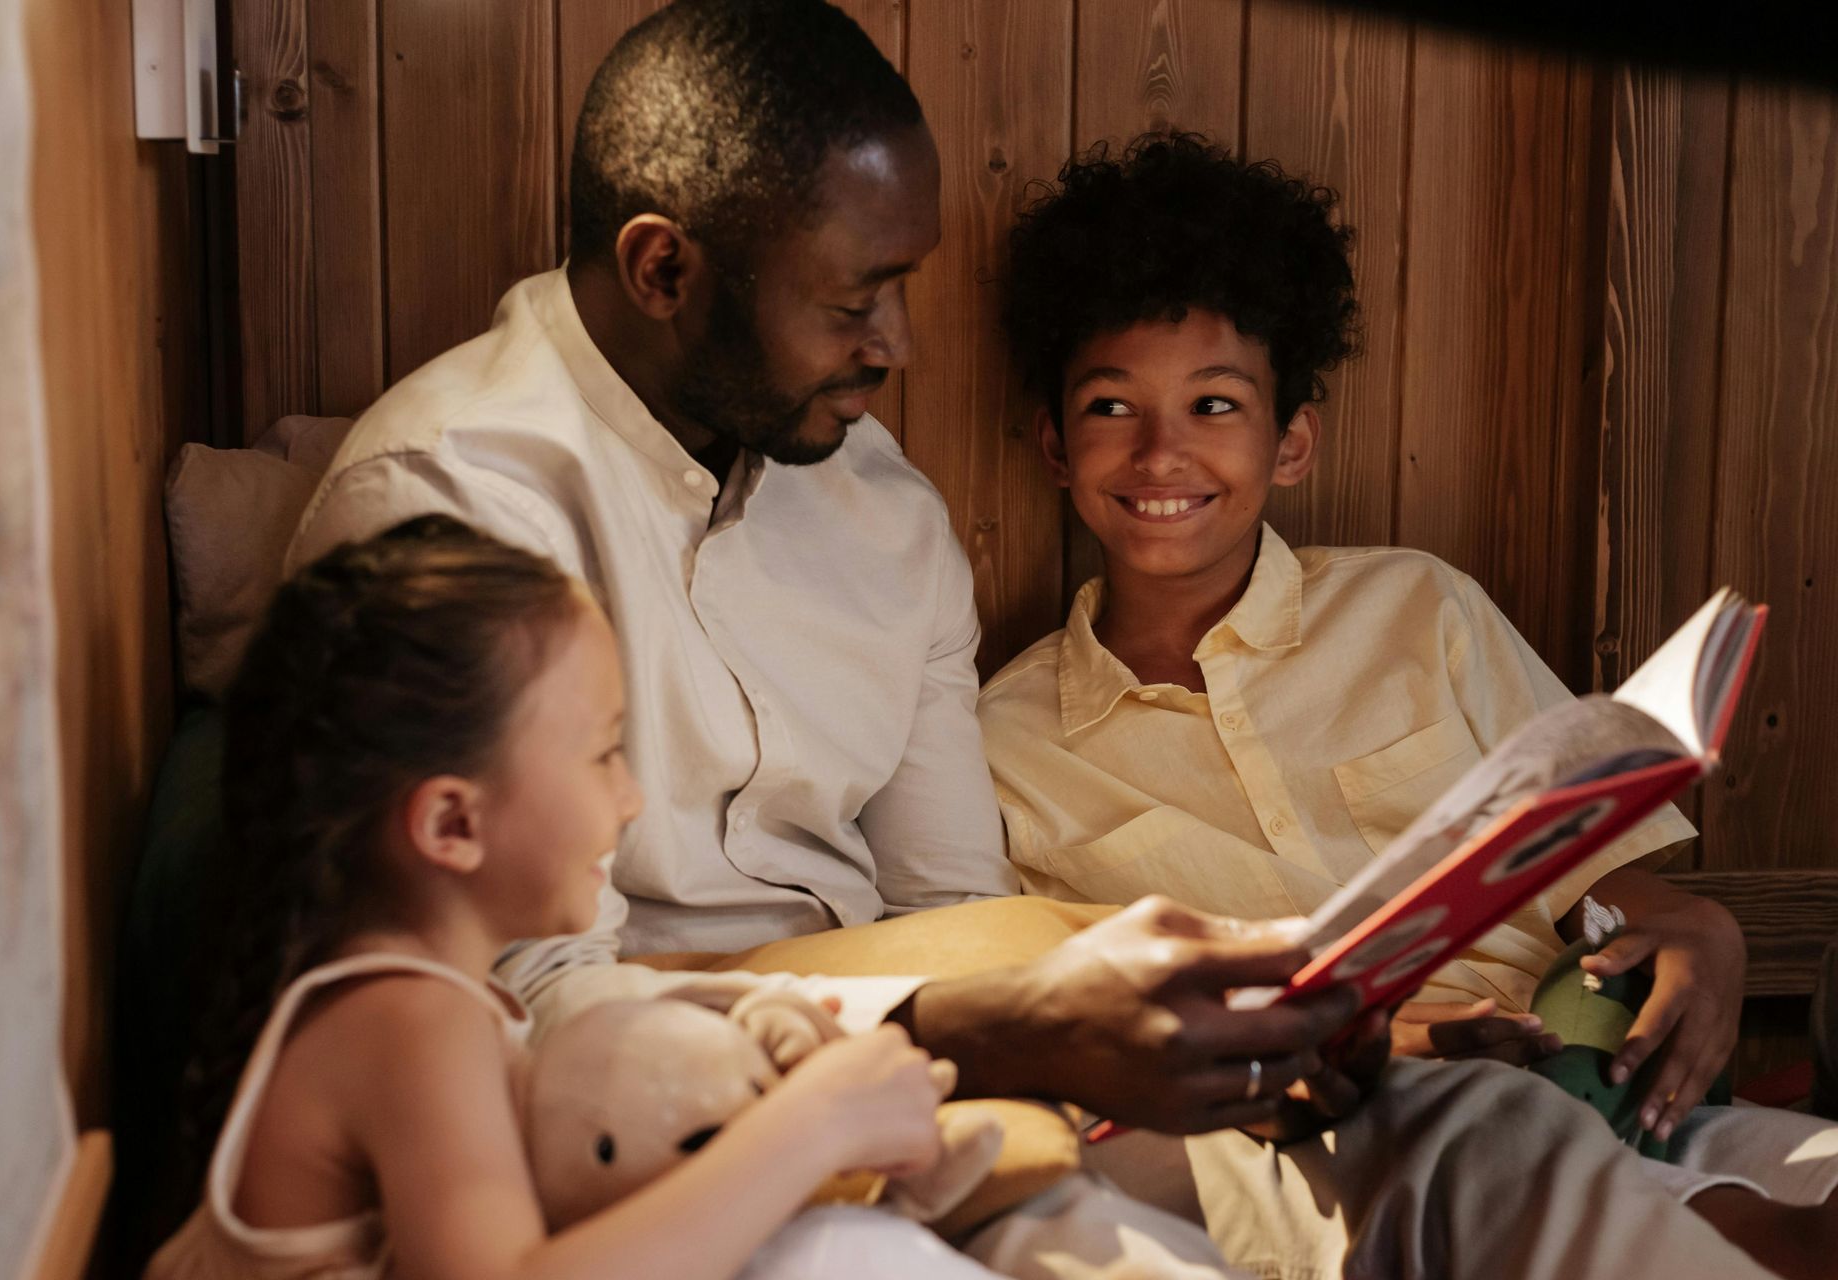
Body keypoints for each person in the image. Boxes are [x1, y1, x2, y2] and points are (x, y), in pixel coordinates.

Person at [286, 2, 1804, 1276]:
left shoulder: (879, 509)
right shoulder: (452, 501)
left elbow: (952, 898)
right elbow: (523, 1007)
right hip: (696, 1105)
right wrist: (1003, 1023)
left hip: (945, 1074)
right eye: (857, 297)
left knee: (1462, 1131)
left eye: (905, 289)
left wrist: (1117, 1015)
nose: (897, 347)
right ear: (666, 269)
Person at [978, 129, 1838, 1278]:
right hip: (1345, 1138)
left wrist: (1700, 928)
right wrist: (1407, 1039)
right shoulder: (1008, 741)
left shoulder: (1418, 606)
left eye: (1215, 404)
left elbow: (1598, 872)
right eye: (1110, 407)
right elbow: (1104, 1029)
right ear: (1054, 444)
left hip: (1599, 1077)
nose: (1162, 451)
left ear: (1291, 442)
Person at [152, 515, 1014, 1280]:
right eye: (604, 753)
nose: (630, 798)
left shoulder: (426, 1005)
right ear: (453, 822)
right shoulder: (409, 1019)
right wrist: (811, 1126)